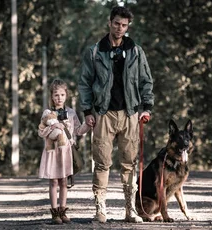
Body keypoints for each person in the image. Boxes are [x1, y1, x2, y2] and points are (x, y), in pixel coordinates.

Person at [78, 6, 154, 223]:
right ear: (109, 22)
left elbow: (146, 80)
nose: (120, 28)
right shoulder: (94, 52)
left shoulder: (136, 51)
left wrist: (146, 107)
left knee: (129, 163)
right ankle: (100, 208)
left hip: (130, 113)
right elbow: (84, 83)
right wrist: (87, 112)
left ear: (128, 26)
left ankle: (130, 209)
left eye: (124, 25)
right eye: (116, 23)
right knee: (102, 163)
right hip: (103, 114)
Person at [38, 79, 92, 224]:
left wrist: (88, 125)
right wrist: (54, 126)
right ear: (52, 96)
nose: (59, 98)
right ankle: (54, 212)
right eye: (56, 95)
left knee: (63, 182)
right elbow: (41, 132)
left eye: (62, 94)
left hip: (66, 152)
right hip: (52, 152)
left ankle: (63, 211)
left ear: (66, 95)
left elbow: (78, 130)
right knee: (53, 181)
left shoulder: (71, 112)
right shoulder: (48, 113)